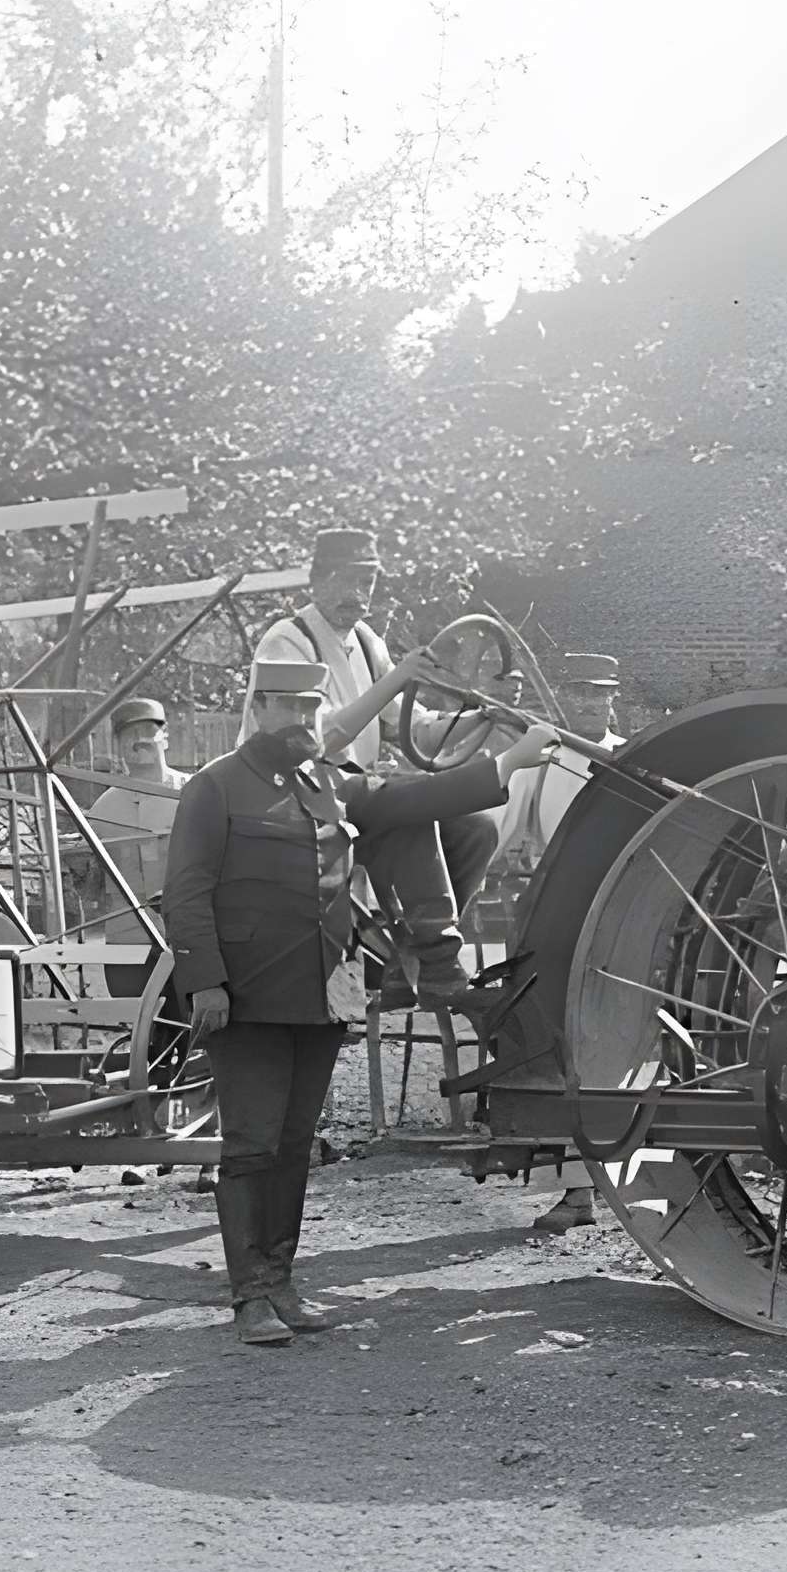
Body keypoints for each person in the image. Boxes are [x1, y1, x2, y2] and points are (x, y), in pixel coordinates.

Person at [164, 625, 559, 1347]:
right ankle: (248, 1297)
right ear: (257, 710)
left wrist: (507, 762)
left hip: (317, 996)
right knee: (249, 1146)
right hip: (245, 998)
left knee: (292, 1144)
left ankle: (280, 1284)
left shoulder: (328, 786)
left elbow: (416, 801)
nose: (301, 722)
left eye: (312, 708)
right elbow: (185, 895)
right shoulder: (213, 788)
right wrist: (206, 986)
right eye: (286, 708)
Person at [263, 524, 501, 1013]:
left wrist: (484, 712)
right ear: (316, 581)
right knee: (406, 809)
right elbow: (314, 738)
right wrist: (396, 680)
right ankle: (439, 964)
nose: (358, 593)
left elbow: (410, 731)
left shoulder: (368, 643)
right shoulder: (289, 639)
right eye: (346, 579)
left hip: (355, 797)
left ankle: (407, 960)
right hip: (292, 796)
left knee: (476, 827)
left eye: (367, 581)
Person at [495, 654, 630, 1233]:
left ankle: (636, 1187)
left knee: (622, 1049)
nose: (588, 704)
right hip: (559, 925)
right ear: (563, 698)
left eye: (598, 694)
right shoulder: (542, 762)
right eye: (578, 693)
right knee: (560, 1052)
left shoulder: (633, 756)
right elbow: (500, 837)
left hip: (626, 920)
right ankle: (578, 1193)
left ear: (612, 699)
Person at [84, 698, 187, 998]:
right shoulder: (103, 810)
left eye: (148, 731)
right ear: (118, 745)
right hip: (128, 944)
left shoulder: (194, 794)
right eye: (129, 734)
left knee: (191, 1032)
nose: (139, 740)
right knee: (138, 1035)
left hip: (186, 941)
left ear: (165, 737)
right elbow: (91, 890)